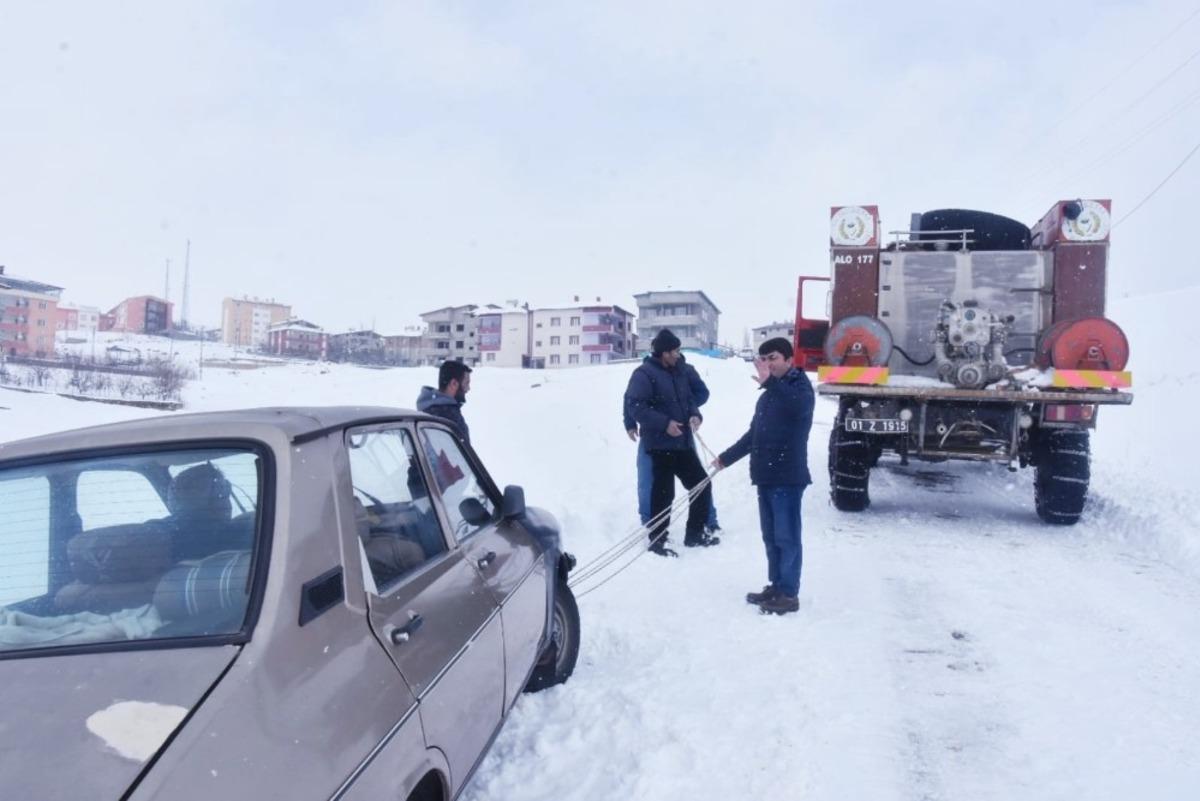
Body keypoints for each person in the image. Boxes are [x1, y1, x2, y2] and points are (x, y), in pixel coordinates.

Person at [712, 337, 814, 614]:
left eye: (774, 358)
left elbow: (797, 408)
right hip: (766, 475)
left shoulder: (800, 388)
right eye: (765, 359)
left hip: (787, 476)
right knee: (771, 537)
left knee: (787, 537)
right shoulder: (768, 396)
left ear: (789, 360)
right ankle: (777, 586)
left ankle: (789, 594)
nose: (768, 364)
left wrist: (770, 383)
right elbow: (754, 435)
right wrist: (725, 458)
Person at [624, 329, 718, 556]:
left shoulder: (679, 372)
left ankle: (694, 534)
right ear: (664, 353)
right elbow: (635, 406)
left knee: (701, 485)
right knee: (663, 493)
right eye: (675, 351)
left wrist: (695, 415)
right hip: (659, 443)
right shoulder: (644, 374)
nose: (678, 354)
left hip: (682, 442)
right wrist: (664, 423)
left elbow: (689, 400)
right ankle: (657, 540)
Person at [416, 360, 472, 443]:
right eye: (466, 383)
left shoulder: (430, 410)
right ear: (454, 383)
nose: (468, 388)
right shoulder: (447, 417)